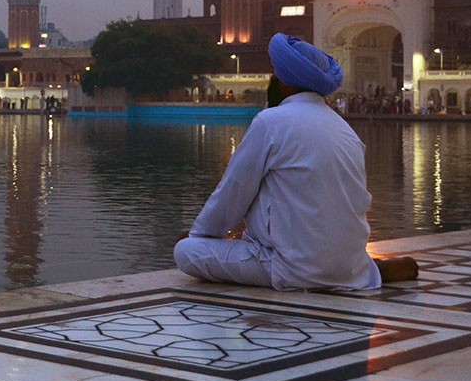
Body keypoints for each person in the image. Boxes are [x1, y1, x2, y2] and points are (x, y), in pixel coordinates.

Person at [174, 33, 417, 290]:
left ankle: (329, 267)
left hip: (290, 267)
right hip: (350, 268)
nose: (272, 81)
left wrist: (202, 235)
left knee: (187, 251)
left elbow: (233, 191)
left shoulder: (270, 121)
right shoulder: (345, 129)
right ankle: (369, 267)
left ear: (286, 83)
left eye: (275, 75)